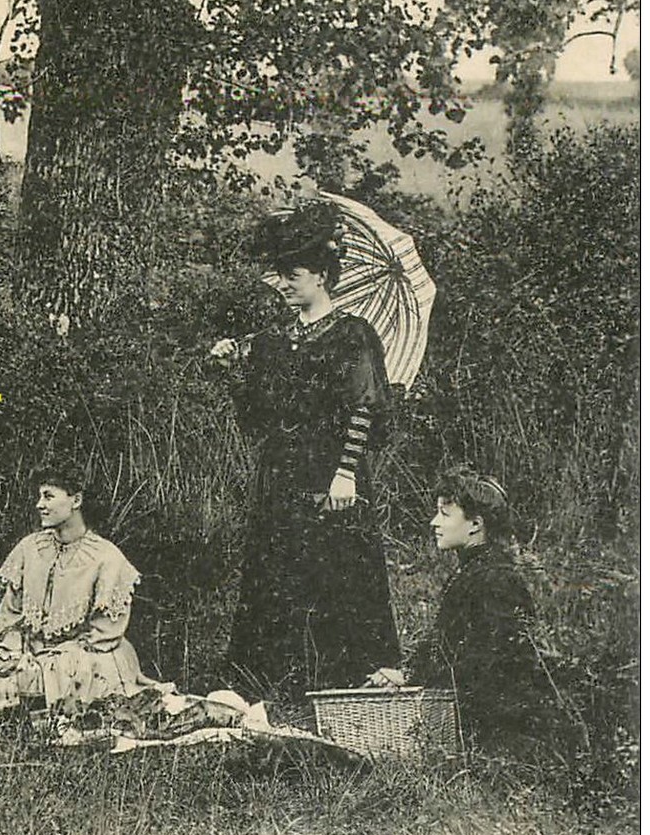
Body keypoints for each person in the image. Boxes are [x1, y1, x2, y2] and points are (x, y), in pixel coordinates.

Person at [210, 201, 399, 705]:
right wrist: (234, 368)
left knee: (337, 570)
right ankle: (273, 680)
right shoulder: (273, 342)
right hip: (280, 473)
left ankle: (342, 681)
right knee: (277, 570)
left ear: (320, 276)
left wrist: (346, 474)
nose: (285, 284)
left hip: (331, 472)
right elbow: (255, 418)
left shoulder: (352, 336)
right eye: (281, 275)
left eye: (293, 275)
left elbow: (365, 409)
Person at [0, 470, 230, 737]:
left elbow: (106, 633)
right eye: (39, 496)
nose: (39, 505)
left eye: (48, 496)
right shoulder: (30, 547)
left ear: (76, 500)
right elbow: (11, 611)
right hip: (29, 646)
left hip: (85, 654)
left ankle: (30, 692)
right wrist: (17, 646)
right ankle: (21, 684)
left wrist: (49, 656)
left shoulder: (105, 557)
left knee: (34, 677)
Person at [369, 467, 558, 760]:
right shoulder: (472, 571)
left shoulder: (496, 579)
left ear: (475, 525)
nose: (434, 523)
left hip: (499, 730)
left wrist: (420, 679)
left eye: (445, 515)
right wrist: (407, 674)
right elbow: (444, 643)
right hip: (472, 716)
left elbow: (490, 663)